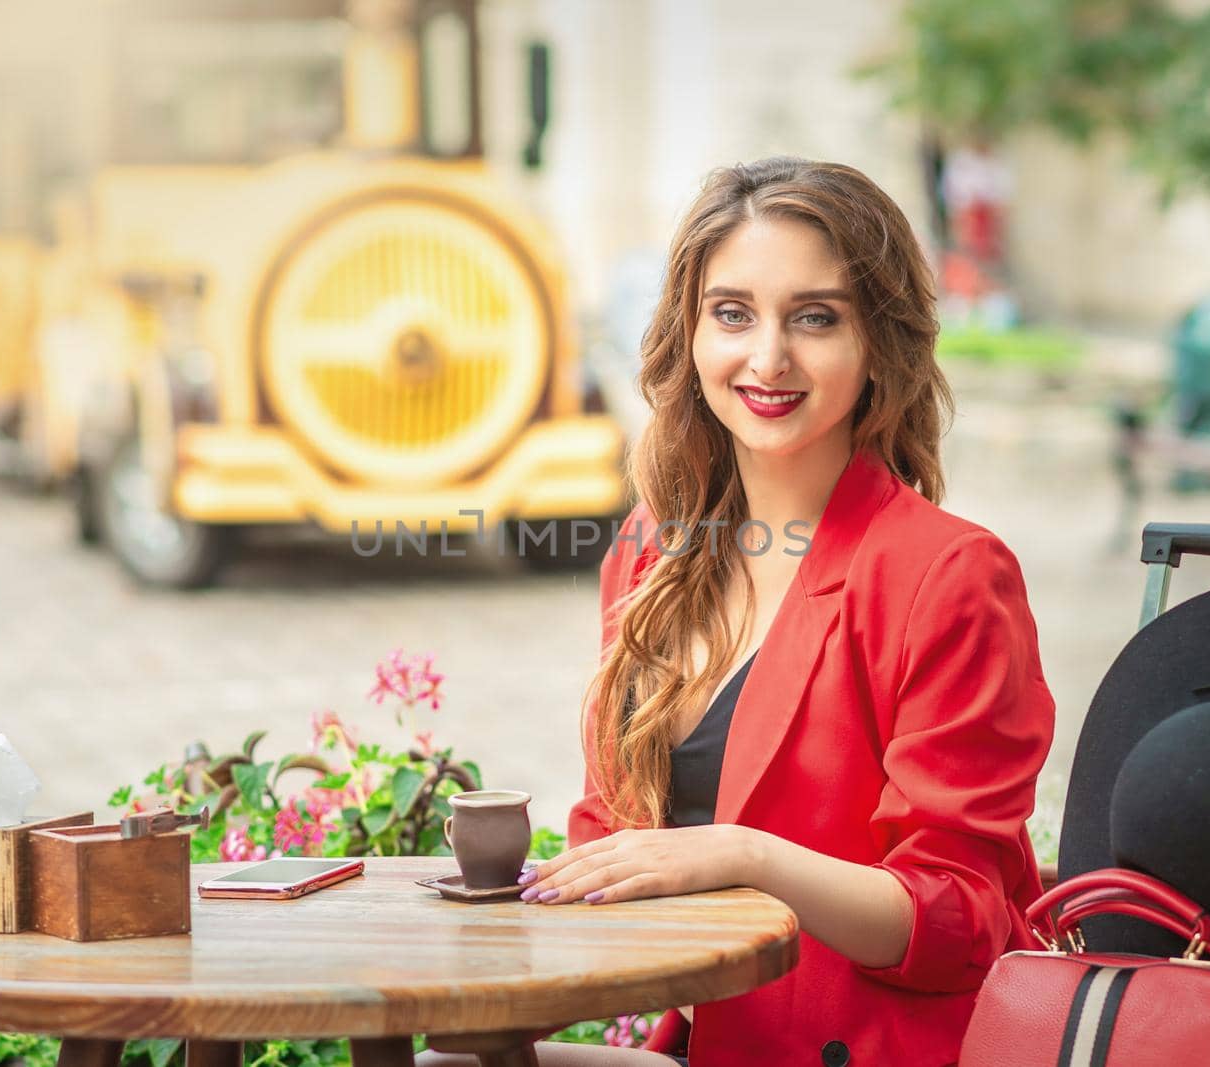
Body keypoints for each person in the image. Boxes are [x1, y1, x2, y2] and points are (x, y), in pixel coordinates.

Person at [419, 156, 1055, 1066]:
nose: (768, 358)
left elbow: (956, 916)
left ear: (879, 342)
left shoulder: (947, 574)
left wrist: (744, 855)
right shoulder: (653, 550)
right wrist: (504, 986)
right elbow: (612, 828)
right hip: (711, 1036)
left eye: (815, 317)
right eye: (733, 313)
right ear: (690, 334)